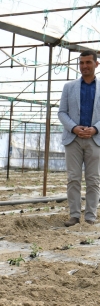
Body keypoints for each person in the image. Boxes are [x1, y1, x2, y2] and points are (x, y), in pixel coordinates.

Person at [58, 50, 100, 227]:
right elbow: (62, 112)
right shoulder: (69, 87)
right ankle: (74, 215)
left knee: (93, 179)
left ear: (96, 64)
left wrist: (95, 129)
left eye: (88, 62)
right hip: (73, 139)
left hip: (95, 139)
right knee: (73, 178)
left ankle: (90, 216)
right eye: (81, 63)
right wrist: (74, 128)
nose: (84, 66)